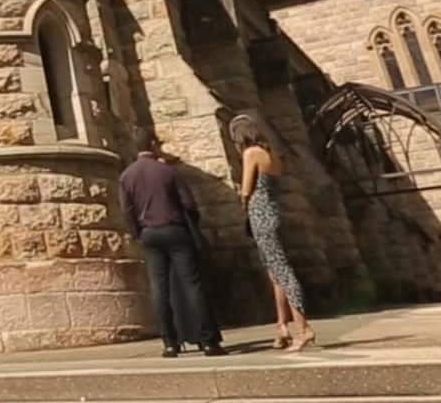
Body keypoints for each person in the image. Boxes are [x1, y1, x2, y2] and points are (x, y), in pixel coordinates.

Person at [120, 134, 225, 357]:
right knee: (192, 284)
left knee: (159, 287)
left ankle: (170, 343)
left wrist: (137, 232)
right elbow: (188, 203)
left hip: (149, 233)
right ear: (152, 145)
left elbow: (127, 211)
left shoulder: (127, 175)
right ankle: (208, 341)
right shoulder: (167, 171)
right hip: (174, 228)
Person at [231, 114, 314, 351]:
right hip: (273, 211)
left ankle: (304, 328)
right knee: (275, 273)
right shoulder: (272, 155)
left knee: (282, 271)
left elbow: (247, 190)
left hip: (260, 214)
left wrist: (242, 200)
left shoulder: (251, 153)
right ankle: (282, 326)